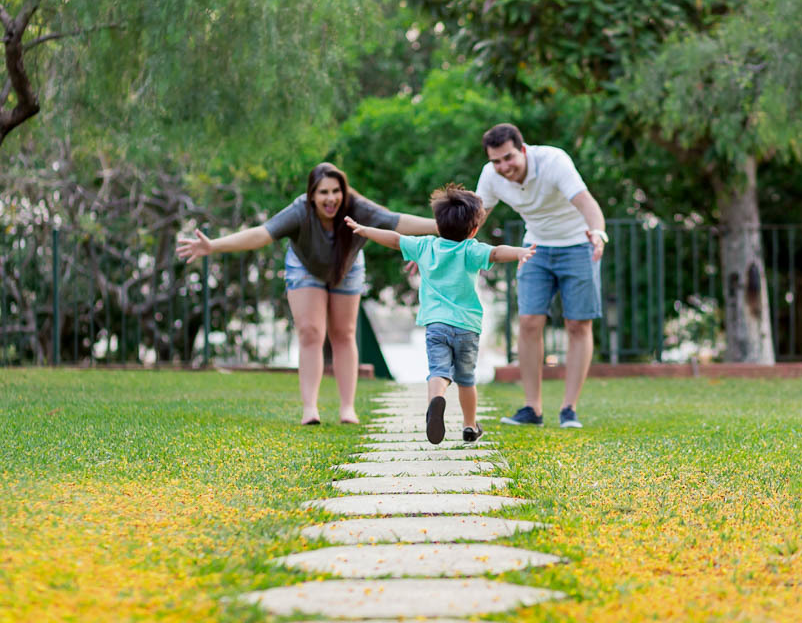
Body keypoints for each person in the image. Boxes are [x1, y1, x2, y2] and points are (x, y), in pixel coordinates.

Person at [176, 162, 437, 425]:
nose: (331, 198)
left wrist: (442, 227)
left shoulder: (358, 207)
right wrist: (213, 246)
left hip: (347, 267)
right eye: (323, 192)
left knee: (344, 333)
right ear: (312, 195)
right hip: (304, 268)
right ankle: (310, 408)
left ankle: (347, 408)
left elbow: (398, 221)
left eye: (336, 191)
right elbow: (261, 234)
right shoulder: (299, 211)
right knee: (310, 332)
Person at [346, 184, 535, 444]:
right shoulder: (471, 249)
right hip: (467, 327)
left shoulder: (425, 247)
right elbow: (497, 252)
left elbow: (394, 239)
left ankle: (437, 399)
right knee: (467, 379)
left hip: (436, 325)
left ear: (437, 224)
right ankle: (469, 426)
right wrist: (520, 253)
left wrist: (365, 230)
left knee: (438, 372)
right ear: (474, 229)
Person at [476, 123, 606, 429]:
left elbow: (586, 202)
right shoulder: (490, 175)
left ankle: (569, 409)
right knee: (529, 321)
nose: (503, 167)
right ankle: (532, 408)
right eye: (496, 161)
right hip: (535, 248)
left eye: (508, 158)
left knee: (578, 324)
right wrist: (442, 250)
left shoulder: (553, 161)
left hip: (578, 244)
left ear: (523, 150)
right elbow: (473, 218)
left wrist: (598, 233)